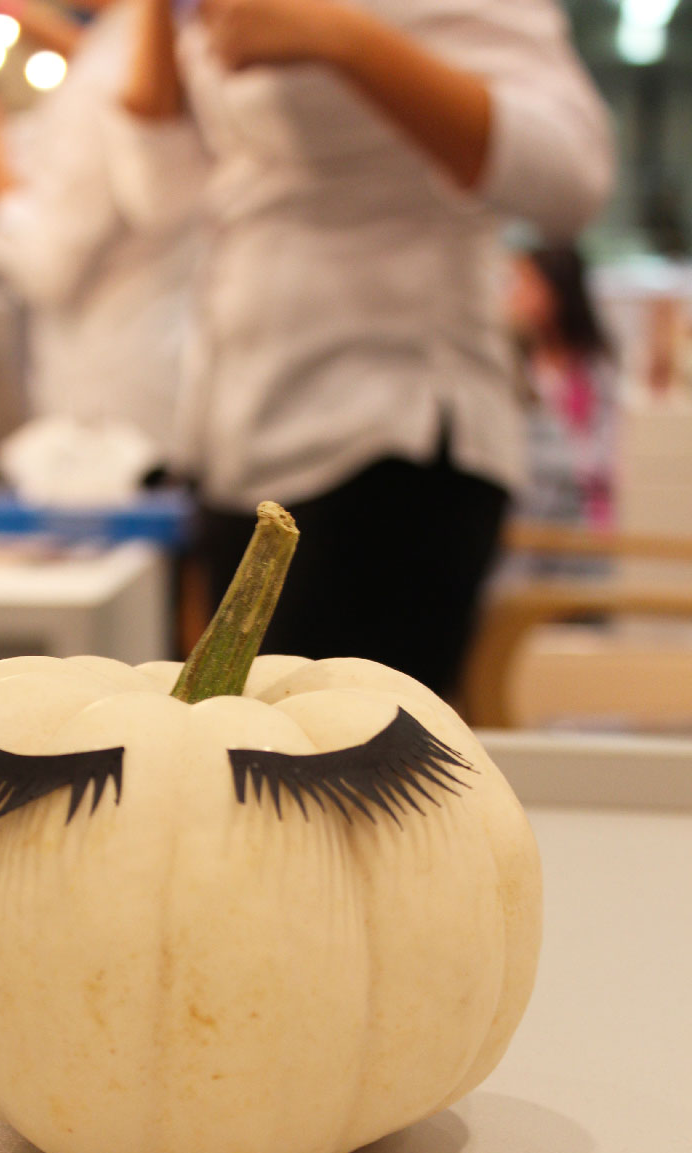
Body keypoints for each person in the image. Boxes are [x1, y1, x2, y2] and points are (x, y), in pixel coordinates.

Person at [108, 0, 614, 697]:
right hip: (237, 435)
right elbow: (160, 198)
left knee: (354, 751)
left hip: (387, 436)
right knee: (227, 739)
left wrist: (341, 37)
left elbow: (572, 178)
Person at [0, 0, 201, 466]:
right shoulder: (130, 46)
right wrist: (12, 15)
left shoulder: (109, 75)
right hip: (148, 370)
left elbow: (47, 265)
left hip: (115, 410)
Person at [507, 243, 617, 537]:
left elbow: (605, 447)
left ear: (557, 291)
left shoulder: (594, 366)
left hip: (579, 512)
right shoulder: (514, 359)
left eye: (528, 282)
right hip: (525, 508)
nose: (515, 294)